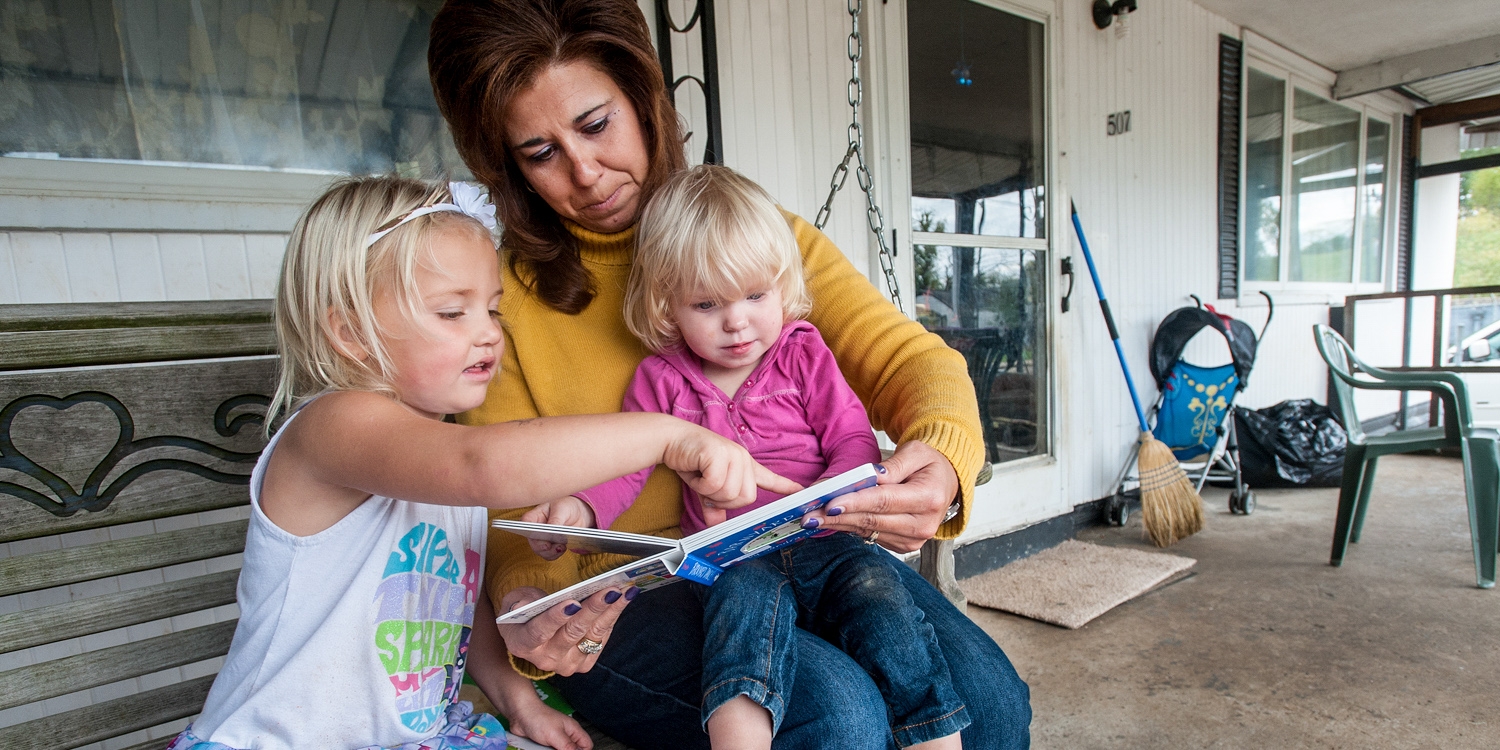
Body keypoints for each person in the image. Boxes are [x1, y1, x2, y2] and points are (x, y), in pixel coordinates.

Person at [428, 1, 1033, 748]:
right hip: (630, 590)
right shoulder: (503, 300)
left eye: (595, 124)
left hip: (807, 543)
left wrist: (939, 456)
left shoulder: (755, 237)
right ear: (507, 166)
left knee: (993, 707)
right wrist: (543, 591)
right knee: (837, 714)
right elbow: (504, 505)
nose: (585, 173)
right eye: (539, 151)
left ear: (644, 103)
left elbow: (913, 361)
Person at [165, 176, 796, 750]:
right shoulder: (333, 427)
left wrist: (518, 701)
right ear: (351, 332)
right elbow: (481, 465)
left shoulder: (432, 457)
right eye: (452, 312)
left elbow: (448, 608)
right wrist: (667, 435)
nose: (489, 332)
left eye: (491, 308)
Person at [525, 164, 970, 750]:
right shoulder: (662, 380)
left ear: (782, 288)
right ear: (667, 306)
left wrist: (836, 499)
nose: (737, 322)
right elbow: (624, 468)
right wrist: (582, 508)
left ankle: (932, 739)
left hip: (826, 540)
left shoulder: (804, 354)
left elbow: (850, 439)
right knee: (739, 627)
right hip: (735, 557)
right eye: (707, 304)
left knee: (882, 604)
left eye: (756, 296)